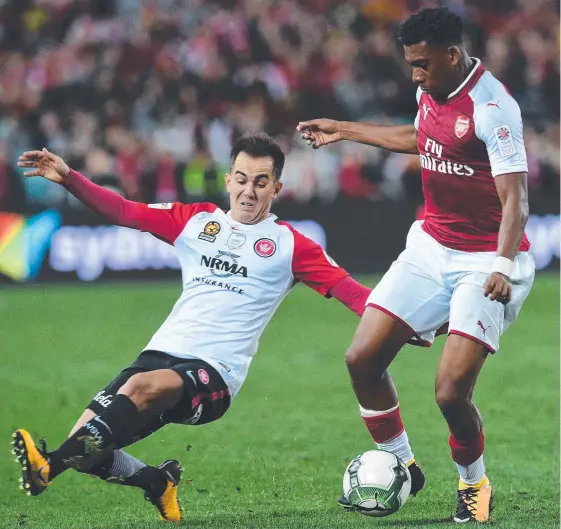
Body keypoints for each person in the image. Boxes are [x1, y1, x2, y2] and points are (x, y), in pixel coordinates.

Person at [13, 133, 371, 523]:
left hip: (215, 373)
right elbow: (124, 211)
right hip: (158, 354)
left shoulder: (292, 245)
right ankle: (157, 482)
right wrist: (68, 177)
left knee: (137, 392)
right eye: (241, 178)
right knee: (85, 445)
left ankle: (46, 469)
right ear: (228, 179)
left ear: (277, 188)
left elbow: (353, 295)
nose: (249, 191)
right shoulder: (196, 221)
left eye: (260, 182)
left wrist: (412, 323)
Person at [298, 7, 534, 524]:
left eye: (422, 64)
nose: (414, 74)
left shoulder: (493, 107)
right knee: (362, 359)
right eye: (410, 64)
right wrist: (344, 129)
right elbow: (422, 138)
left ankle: (475, 487)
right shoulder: (432, 88)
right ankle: (405, 466)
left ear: (453, 55)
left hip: (486, 260)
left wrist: (501, 262)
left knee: (450, 391)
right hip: (430, 247)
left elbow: (515, 198)